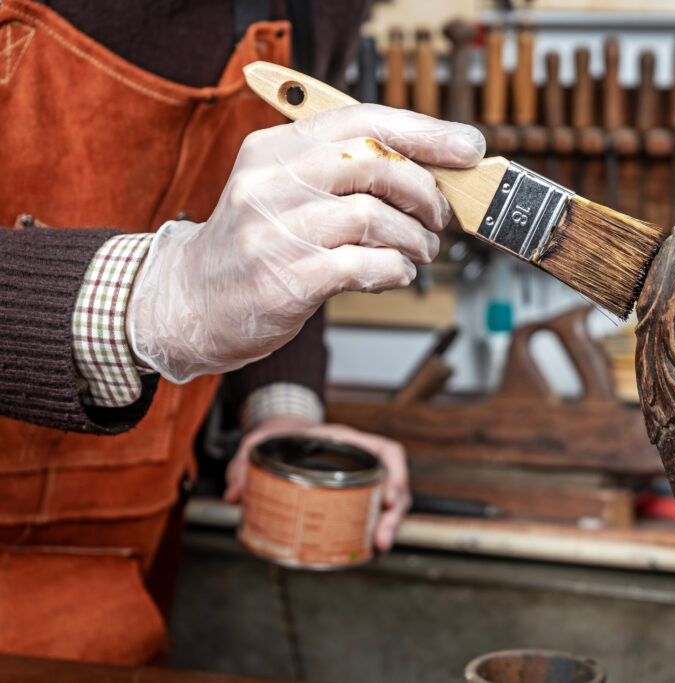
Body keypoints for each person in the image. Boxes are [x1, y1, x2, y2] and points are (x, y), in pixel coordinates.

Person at [0, 0, 485, 665]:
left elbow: (280, 239)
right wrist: (153, 297)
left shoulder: (319, 11)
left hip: (120, 570)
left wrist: (282, 414)